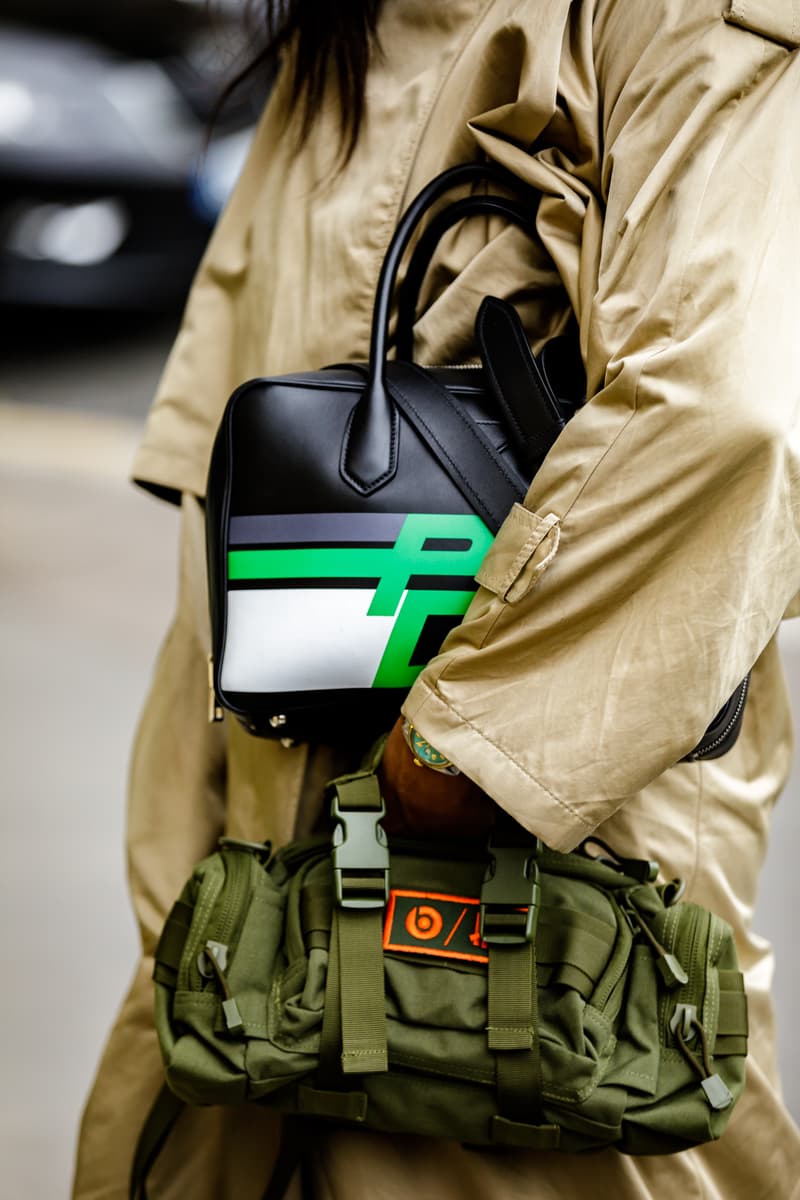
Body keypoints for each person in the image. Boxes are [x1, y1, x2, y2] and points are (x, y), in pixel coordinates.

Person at [73, 1, 800, 1196]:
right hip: (265, 810)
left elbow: (728, 413)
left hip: (537, 846)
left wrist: (467, 752)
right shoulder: (342, 21)